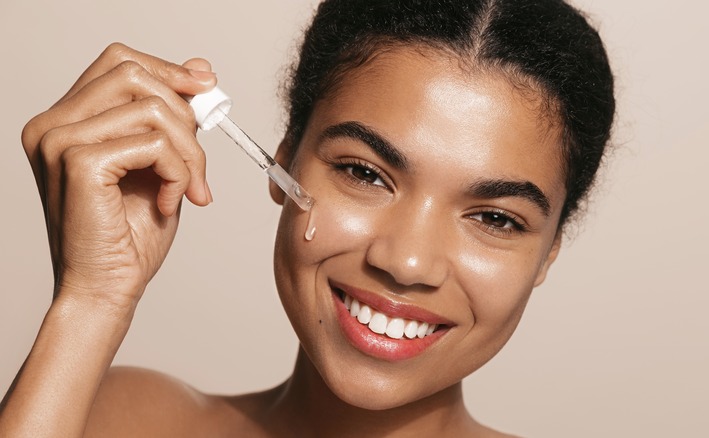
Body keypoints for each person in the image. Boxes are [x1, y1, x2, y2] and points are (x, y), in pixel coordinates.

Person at [0, 0, 615, 436]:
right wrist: (91, 301)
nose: (406, 262)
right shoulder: (115, 419)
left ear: (549, 249)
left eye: (497, 219)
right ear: (285, 157)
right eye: (365, 174)